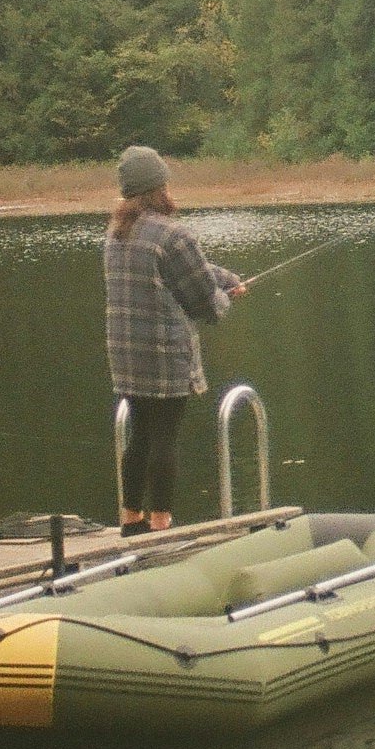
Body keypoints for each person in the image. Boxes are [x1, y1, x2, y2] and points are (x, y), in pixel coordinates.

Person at [103, 145, 245, 535]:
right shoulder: (174, 233)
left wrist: (226, 278)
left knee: (140, 435)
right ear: (160, 187)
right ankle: (161, 523)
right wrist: (225, 297)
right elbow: (205, 305)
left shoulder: (118, 233)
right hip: (165, 357)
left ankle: (131, 522)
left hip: (126, 357)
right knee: (165, 438)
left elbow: (190, 269)